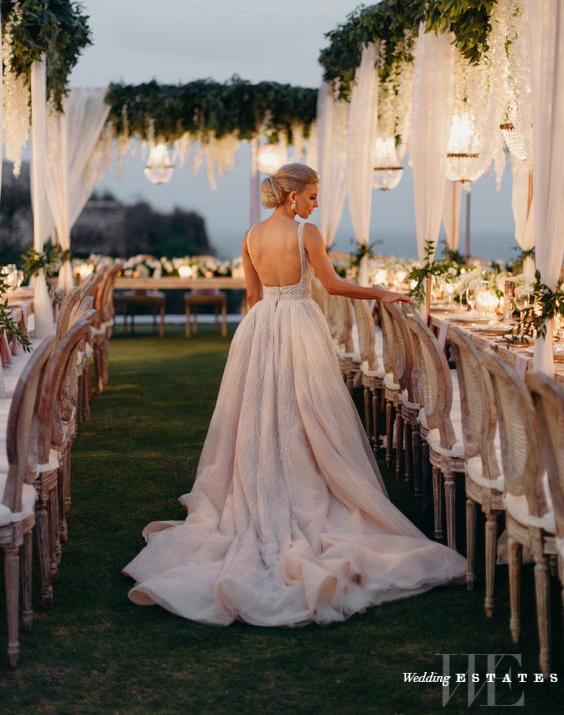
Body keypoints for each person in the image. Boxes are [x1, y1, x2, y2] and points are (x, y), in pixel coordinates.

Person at [123, 163, 465, 625]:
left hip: (261, 325)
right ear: (293, 197)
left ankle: (264, 480)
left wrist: (261, 329)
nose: (316, 203)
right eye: (312, 196)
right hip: (300, 324)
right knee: (307, 411)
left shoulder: (249, 236)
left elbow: (250, 296)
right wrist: (380, 292)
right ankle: (302, 483)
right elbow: (332, 285)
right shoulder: (307, 233)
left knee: (262, 411)